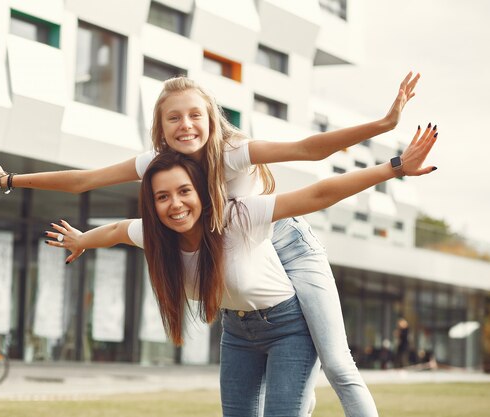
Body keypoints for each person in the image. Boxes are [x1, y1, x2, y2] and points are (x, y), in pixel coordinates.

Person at [0, 73, 420, 417]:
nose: (185, 126)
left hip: (283, 239)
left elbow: (309, 151)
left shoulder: (231, 152)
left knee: (338, 365)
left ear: (210, 119)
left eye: (194, 116)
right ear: (160, 130)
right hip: (235, 265)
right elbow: (86, 181)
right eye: (173, 118)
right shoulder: (160, 173)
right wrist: (9, 180)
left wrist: (385, 129)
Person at [45, 128, 437, 416]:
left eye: (184, 192)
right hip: (237, 332)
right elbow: (114, 230)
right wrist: (81, 240)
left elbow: (321, 193)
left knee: (334, 369)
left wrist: (395, 167)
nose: (175, 205)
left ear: (202, 192)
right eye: (162, 197)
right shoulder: (158, 235)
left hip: (289, 328)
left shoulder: (238, 216)